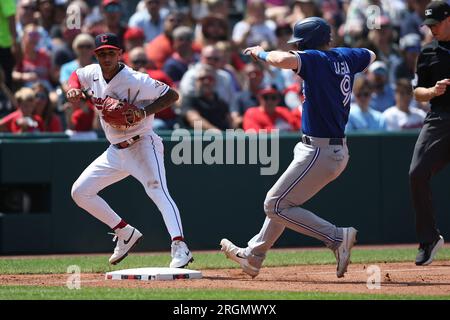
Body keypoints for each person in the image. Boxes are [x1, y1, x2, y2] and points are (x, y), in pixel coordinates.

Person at [220, 17, 376, 278]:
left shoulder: (316, 58)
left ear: (309, 43)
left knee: (275, 205)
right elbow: (370, 54)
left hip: (320, 150)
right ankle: (253, 256)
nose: (297, 47)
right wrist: (341, 57)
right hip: (329, 149)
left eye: (300, 43)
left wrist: (261, 53)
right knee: (284, 202)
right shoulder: (346, 56)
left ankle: (336, 237)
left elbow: (282, 61)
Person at [67, 33, 193, 267]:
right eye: (102, 53)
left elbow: (172, 95)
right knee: (80, 192)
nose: (106, 57)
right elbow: (76, 76)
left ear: (120, 54)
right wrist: (73, 89)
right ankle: (125, 233)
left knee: (158, 191)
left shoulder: (136, 79)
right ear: (96, 55)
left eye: (111, 52)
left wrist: (144, 112)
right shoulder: (91, 73)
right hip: (115, 152)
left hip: (143, 144)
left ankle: (180, 246)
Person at [408, 1, 450, 266]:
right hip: (439, 117)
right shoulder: (427, 52)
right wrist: (433, 91)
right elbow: (417, 92)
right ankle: (429, 239)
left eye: (436, 23)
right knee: (417, 173)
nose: (432, 29)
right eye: (429, 25)